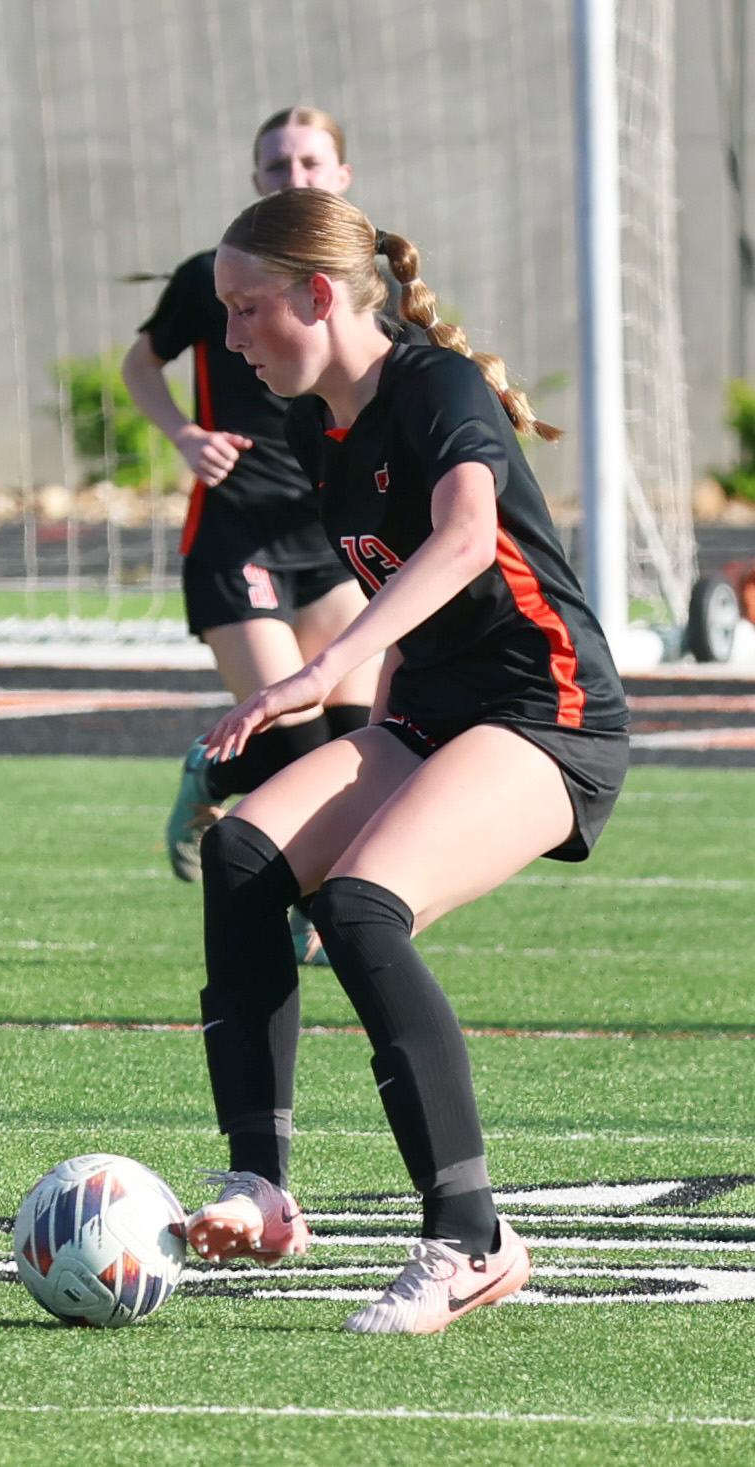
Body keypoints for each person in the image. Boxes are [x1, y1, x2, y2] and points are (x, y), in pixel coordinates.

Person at [179, 188, 628, 1334]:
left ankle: (473, 1240)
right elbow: (397, 591)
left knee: (361, 908)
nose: (229, 335)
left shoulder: (435, 385)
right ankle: (260, 1190)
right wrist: (370, 717)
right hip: (432, 714)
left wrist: (319, 674)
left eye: (245, 307)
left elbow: (467, 539)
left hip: (549, 713)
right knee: (243, 854)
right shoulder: (315, 429)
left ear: (319, 297)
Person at [124, 107, 403, 965]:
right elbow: (140, 363)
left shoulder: (365, 289)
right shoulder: (217, 276)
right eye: (277, 165)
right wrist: (183, 434)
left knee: (364, 749)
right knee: (296, 743)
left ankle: (325, 902)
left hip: (328, 541)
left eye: (311, 162)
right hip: (237, 536)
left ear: (342, 176)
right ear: (256, 180)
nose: (295, 177)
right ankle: (216, 774)